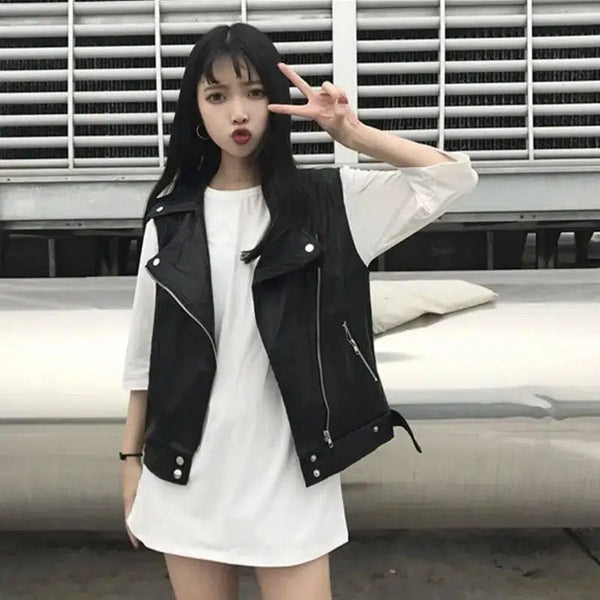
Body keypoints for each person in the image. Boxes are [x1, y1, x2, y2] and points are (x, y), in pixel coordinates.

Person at [120, 22, 478, 600]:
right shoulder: (171, 217)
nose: (239, 113)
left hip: (289, 474)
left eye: (255, 92)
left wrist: (351, 132)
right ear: (196, 111)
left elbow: (451, 178)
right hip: (188, 470)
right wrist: (130, 460)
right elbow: (145, 354)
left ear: (277, 102)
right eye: (217, 96)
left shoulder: (330, 203)